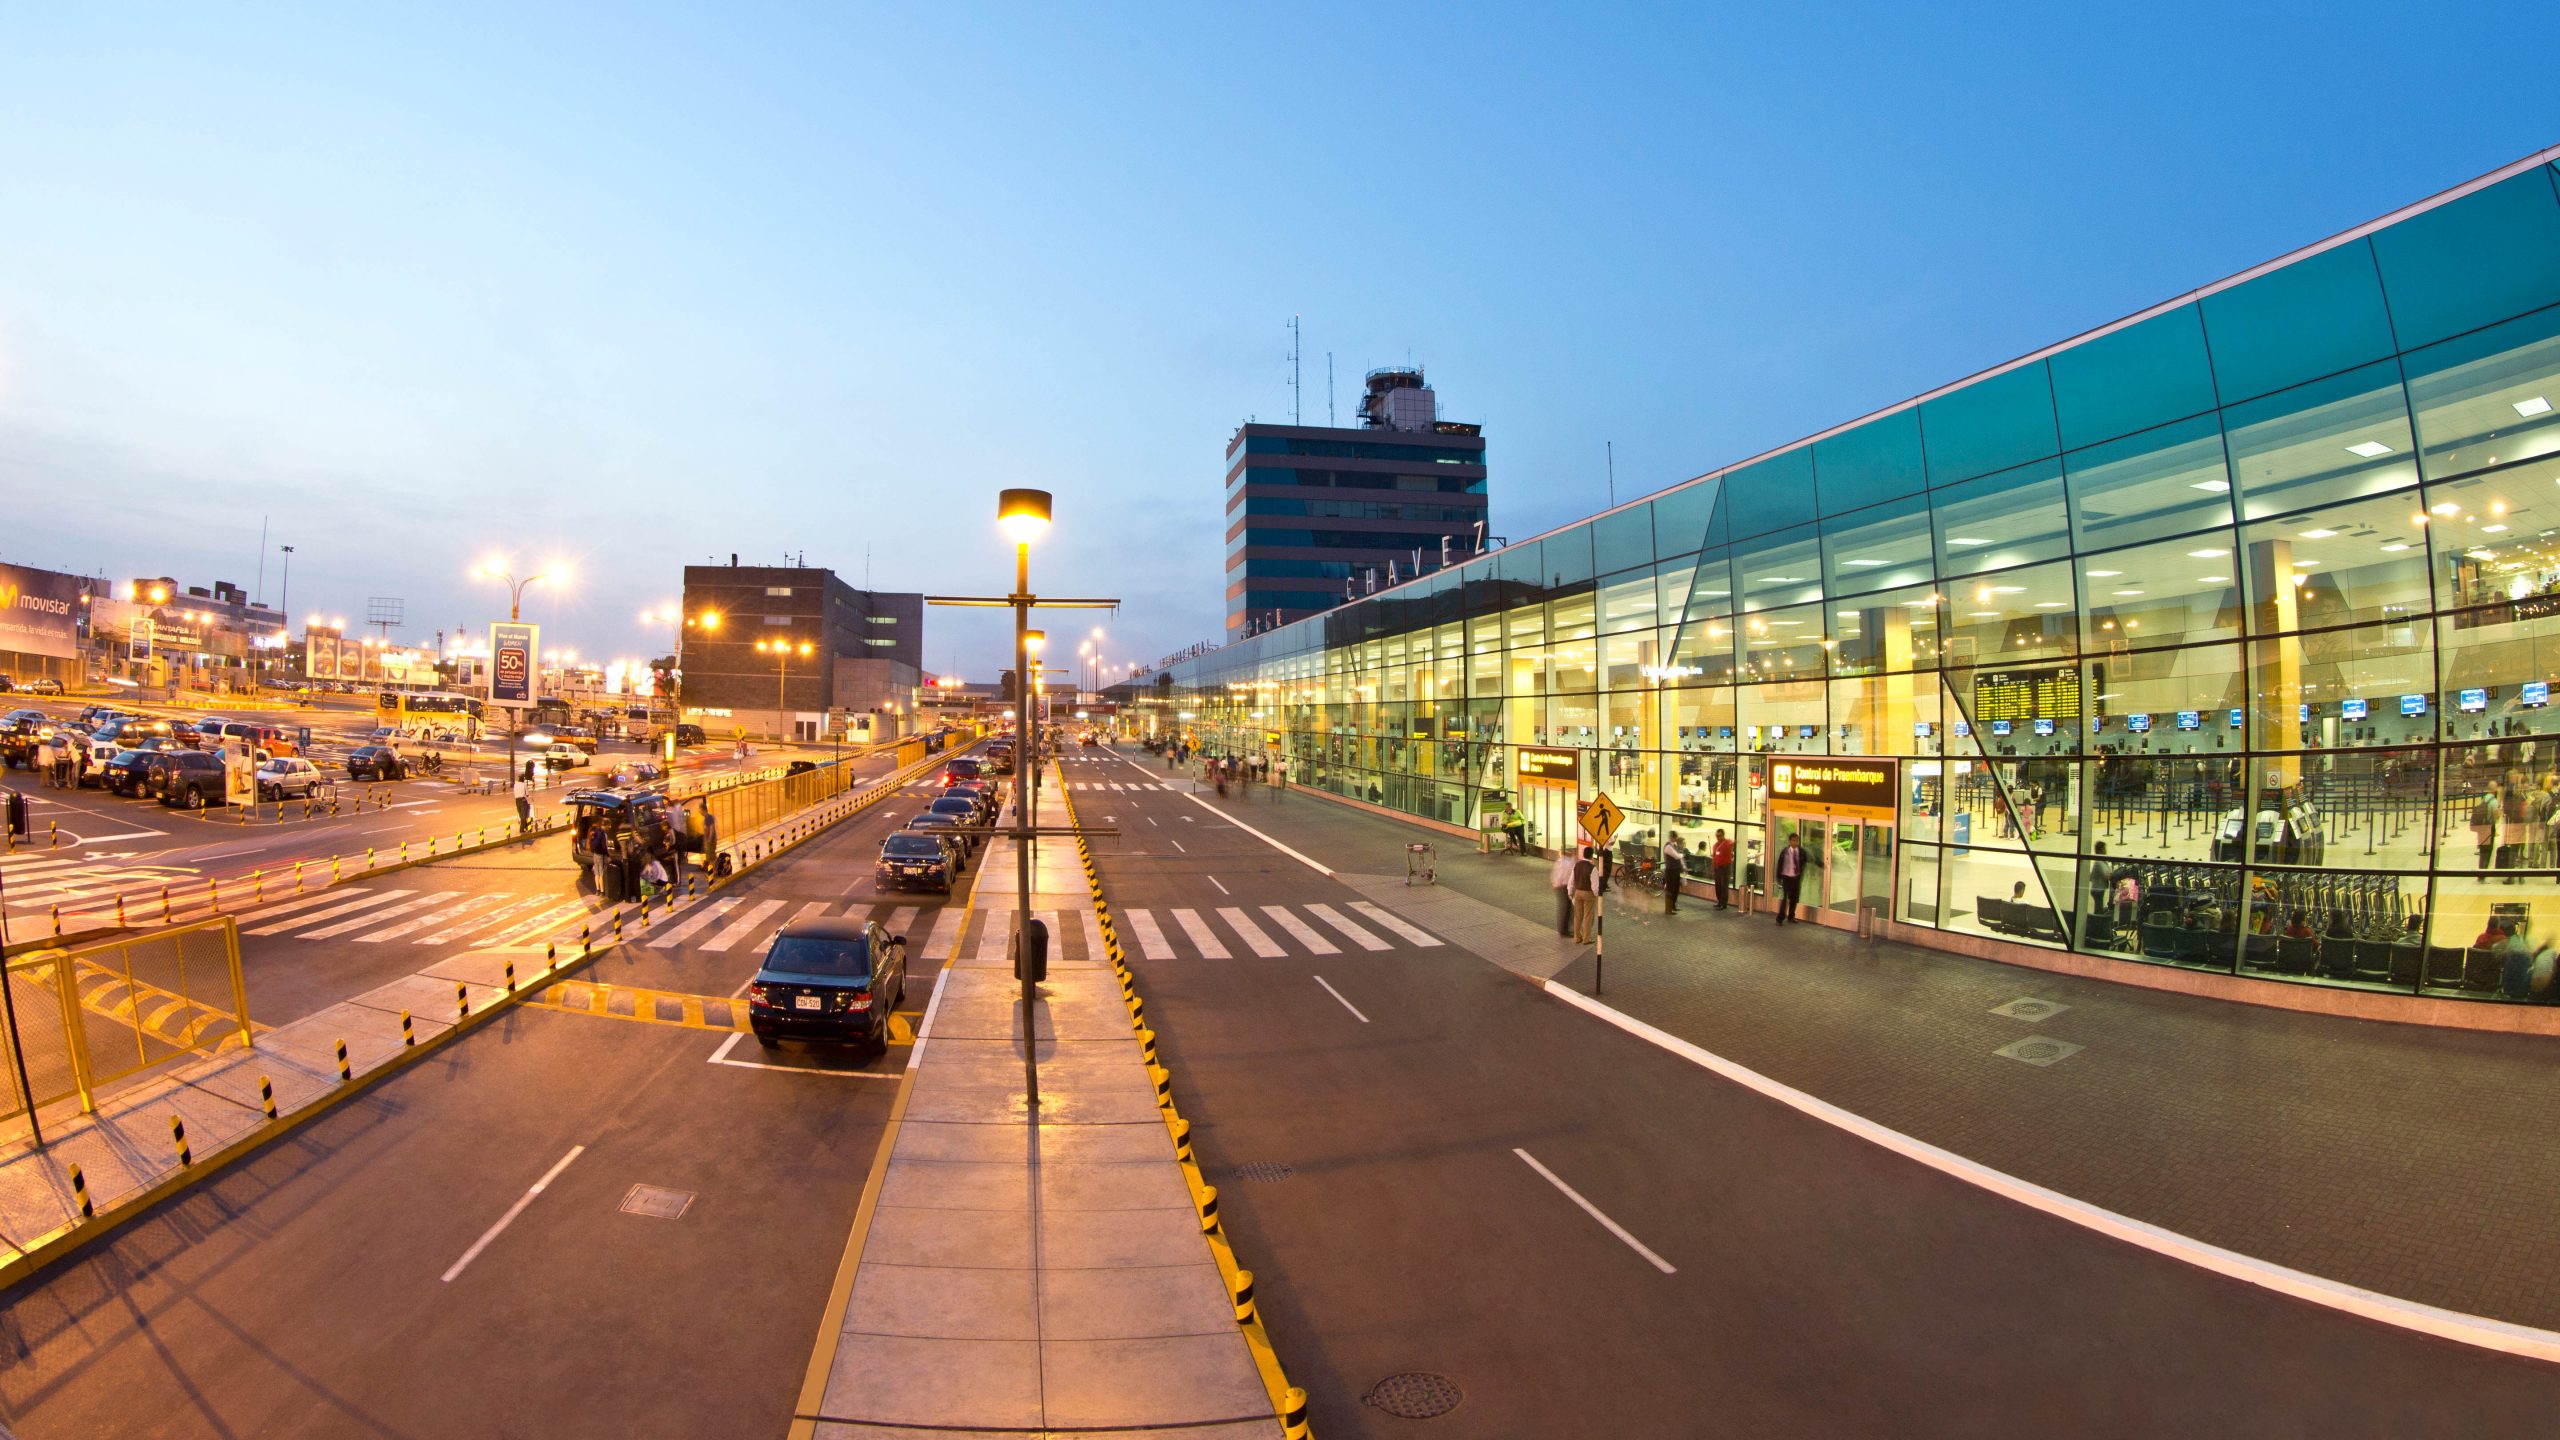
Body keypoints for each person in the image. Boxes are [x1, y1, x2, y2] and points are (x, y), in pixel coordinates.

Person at [1569, 846, 1600, 945]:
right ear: (1591, 856)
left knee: (1577, 916)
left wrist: (1570, 892)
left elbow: (1571, 880)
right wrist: (1597, 895)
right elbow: (1595, 886)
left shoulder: (1576, 865)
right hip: (1588, 894)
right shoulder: (1593, 868)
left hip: (1578, 892)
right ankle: (1586, 939)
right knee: (1587, 917)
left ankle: (1577, 937)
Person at [1774, 833, 1807, 925]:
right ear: (1789, 841)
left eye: (1796, 840)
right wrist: (1778, 877)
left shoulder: (1801, 851)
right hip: (1786, 877)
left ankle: (1791, 917)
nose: (1795, 842)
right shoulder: (1785, 851)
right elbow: (1780, 864)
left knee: (1794, 898)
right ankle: (1780, 918)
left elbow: (1805, 861)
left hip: (1796, 877)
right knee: (1785, 899)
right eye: (1793, 840)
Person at [1550, 844, 1576, 936]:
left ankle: (1563, 929)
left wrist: (1554, 883)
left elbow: (1555, 874)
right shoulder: (1564, 862)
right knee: (1566, 908)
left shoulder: (1561, 861)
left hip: (1561, 886)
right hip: (1564, 886)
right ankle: (1564, 930)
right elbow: (1562, 874)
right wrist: (1557, 883)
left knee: (1565, 908)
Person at [1659, 833, 1689, 914]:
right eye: (1675, 837)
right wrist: (1682, 855)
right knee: (1670, 890)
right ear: (1672, 837)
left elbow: (1680, 859)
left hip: (1676, 871)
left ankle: (1673, 906)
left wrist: (1684, 867)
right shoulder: (1668, 846)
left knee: (1676, 889)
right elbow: (1677, 856)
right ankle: (1668, 910)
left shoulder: (1674, 845)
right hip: (1670, 871)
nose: (1676, 839)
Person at [1709, 829, 1736, 911]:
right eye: (1716, 836)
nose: (1718, 837)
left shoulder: (1727, 842)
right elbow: (1714, 857)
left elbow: (1732, 843)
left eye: (1719, 836)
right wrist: (1713, 868)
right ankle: (1719, 901)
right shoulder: (1715, 845)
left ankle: (1724, 903)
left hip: (1725, 867)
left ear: (1723, 835)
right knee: (1718, 885)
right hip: (1717, 867)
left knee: (1724, 885)